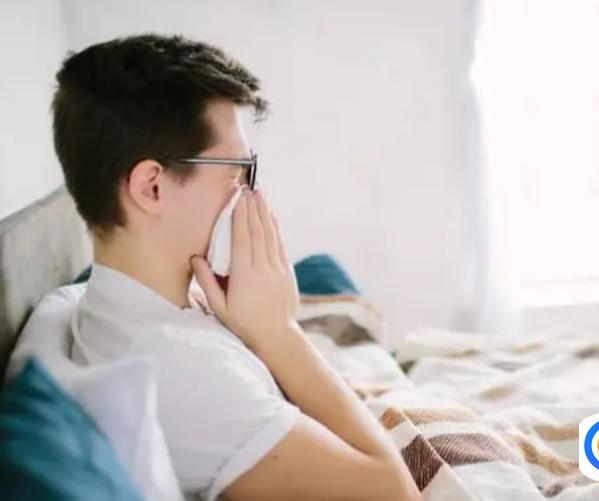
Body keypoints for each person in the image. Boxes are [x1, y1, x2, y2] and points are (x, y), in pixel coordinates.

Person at [52, 33, 421, 501]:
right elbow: (395, 495)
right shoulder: (181, 371)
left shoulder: (138, 306)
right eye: (236, 171)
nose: (248, 192)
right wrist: (279, 332)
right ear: (152, 187)